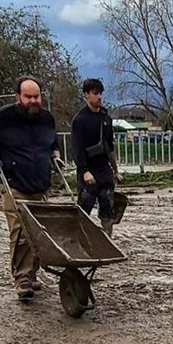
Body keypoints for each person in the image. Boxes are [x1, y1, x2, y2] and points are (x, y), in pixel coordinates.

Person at [0, 75, 62, 302]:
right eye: (28, 97)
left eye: (37, 96)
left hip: (40, 184)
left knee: (39, 232)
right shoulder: (4, 118)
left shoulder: (46, 119)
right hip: (13, 184)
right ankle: (22, 279)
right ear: (18, 97)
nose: (33, 101)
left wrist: (57, 157)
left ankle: (32, 274)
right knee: (21, 232)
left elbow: (53, 144)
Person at [70, 78, 122, 237]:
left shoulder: (106, 118)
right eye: (95, 93)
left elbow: (109, 148)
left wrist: (116, 171)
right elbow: (77, 149)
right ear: (86, 95)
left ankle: (107, 241)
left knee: (108, 208)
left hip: (104, 170)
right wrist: (84, 171)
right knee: (84, 208)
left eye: (100, 93)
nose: (99, 97)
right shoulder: (80, 120)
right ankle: (80, 240)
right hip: (87, 171)